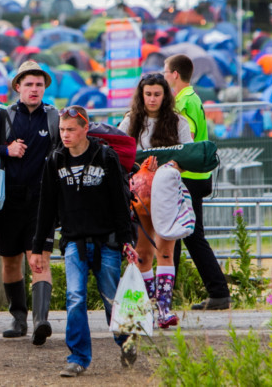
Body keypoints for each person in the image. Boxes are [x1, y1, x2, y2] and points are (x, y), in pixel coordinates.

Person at [30, 106, 138, 377]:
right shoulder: (55, 160)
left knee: (112, 299)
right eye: (62, 130)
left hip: (107, 243)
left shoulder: (105, 157)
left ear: (85, 129)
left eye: (71, 130)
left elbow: (119, 203)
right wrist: (38, 247)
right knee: (75, 298)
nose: (65, 135)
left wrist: (127, 241)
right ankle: (78, 357)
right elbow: (46, 207)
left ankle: (126, 343)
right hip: (73, 241)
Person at [0, 60, 59, 344]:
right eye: (29, 84)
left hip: (43, 201)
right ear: (17, 86)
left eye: (39, 84)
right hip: (8, 200)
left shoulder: (54, 117)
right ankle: (19, 318)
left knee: (40, 261)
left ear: (45, 88)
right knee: (10, 262)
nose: (34, 89)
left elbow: (68, 146)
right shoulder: (1, 116)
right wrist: (4, 149)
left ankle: (41, 321)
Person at [118, 73, 193, 328]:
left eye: (157, 94)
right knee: (142, 252)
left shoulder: (177, 122)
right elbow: (119, 153)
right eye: (147, 94)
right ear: (141, 95)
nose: (152, 99)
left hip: (167, 191)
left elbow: (188, 154)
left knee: (165, 250)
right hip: (139, 194)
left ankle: (164, 308)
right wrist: (139, 168)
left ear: (165, 96)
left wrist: (173, 164)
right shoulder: (130, 121)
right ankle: (148, 306)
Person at [164, 55, 231, 310]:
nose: (164, 75)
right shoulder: (192, 98)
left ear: (175, 75)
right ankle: (170, 295)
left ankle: (216, 292)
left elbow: (187, 140)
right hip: (196, 177)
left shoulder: (183, 101)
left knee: (186, 237)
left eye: (165, 71)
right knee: (181, 238)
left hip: (187, 178)